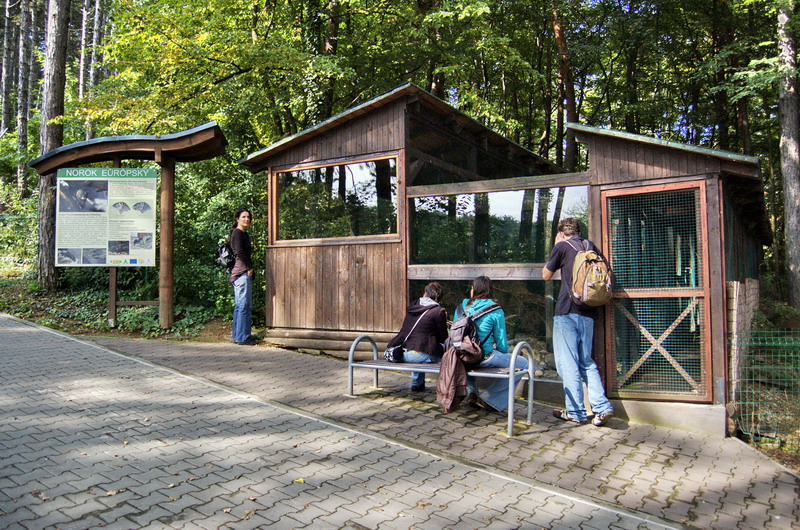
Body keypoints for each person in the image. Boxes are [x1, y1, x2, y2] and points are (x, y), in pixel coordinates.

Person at [542, 218, 614, 426]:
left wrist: (556, 247)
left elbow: (545, 275)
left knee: (569, 363)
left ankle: (576, 411)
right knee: (586, 362)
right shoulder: (591, 247)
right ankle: (602, 407)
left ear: (561, 233)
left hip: (567, 312)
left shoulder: (562, 246)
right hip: (589, 312)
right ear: (579, 231)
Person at [457, 276, 528, 412]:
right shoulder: (495, 310)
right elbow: (502, 344)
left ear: (474, 290)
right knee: (523, 363)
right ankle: (489, 399)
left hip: (460, 355)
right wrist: (497, 349)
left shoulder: (462, 307)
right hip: (484, 357)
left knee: (467, 357)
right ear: (490, 291)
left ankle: (472, 393)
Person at [386, 282, 448, 391]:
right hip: (420, 354)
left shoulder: (413, 306)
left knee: (420, 347)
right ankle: (445, 387)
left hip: (407, 350)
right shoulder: (438, 311)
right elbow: (443, 337)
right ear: (438, 298)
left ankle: (417, 383)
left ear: (425, 293)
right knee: (433, 350)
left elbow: (405, 332)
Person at [230, 208, 257, 346]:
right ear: (237, 219)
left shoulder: (243, 233)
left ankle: (237, 335)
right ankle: (242, 337)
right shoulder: (238, 233)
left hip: (242, 272)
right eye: (243, 217)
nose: (246, 219)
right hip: (241, 273)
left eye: (248, 217)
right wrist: (249, 267)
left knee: (240, 305)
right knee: (243, 306)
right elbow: (239, 252)